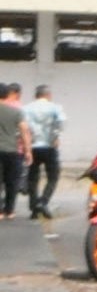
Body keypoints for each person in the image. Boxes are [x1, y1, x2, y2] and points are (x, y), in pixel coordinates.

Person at [24, 84, 64, 220]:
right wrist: (55, 137)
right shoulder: (55, 108)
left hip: (33, 147)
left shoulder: (27, 108)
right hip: (49, 147)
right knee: (53, 176)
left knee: (32, 178)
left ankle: (34, 208)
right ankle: (43, 201)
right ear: (48, 95)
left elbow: (23, 128)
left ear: (36, 95)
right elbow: (61, 122)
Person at [0, 85, 26, 220]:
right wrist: (28, 151)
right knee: (12, 181)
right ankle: (9, 211)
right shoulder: (16, 111)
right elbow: (24, 130)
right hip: (12, 150)